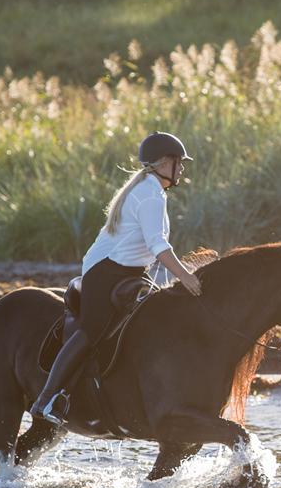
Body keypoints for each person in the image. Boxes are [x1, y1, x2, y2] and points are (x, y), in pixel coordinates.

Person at [30, 131, 203, 426]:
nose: (182, 168)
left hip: (131, 271)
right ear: (163, 162)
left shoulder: (152, 189)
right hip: (106, 271)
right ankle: (47, 400)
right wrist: (185, 276)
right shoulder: (149, 193)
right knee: (92, 329)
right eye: (178, 162)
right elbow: (157, 245)